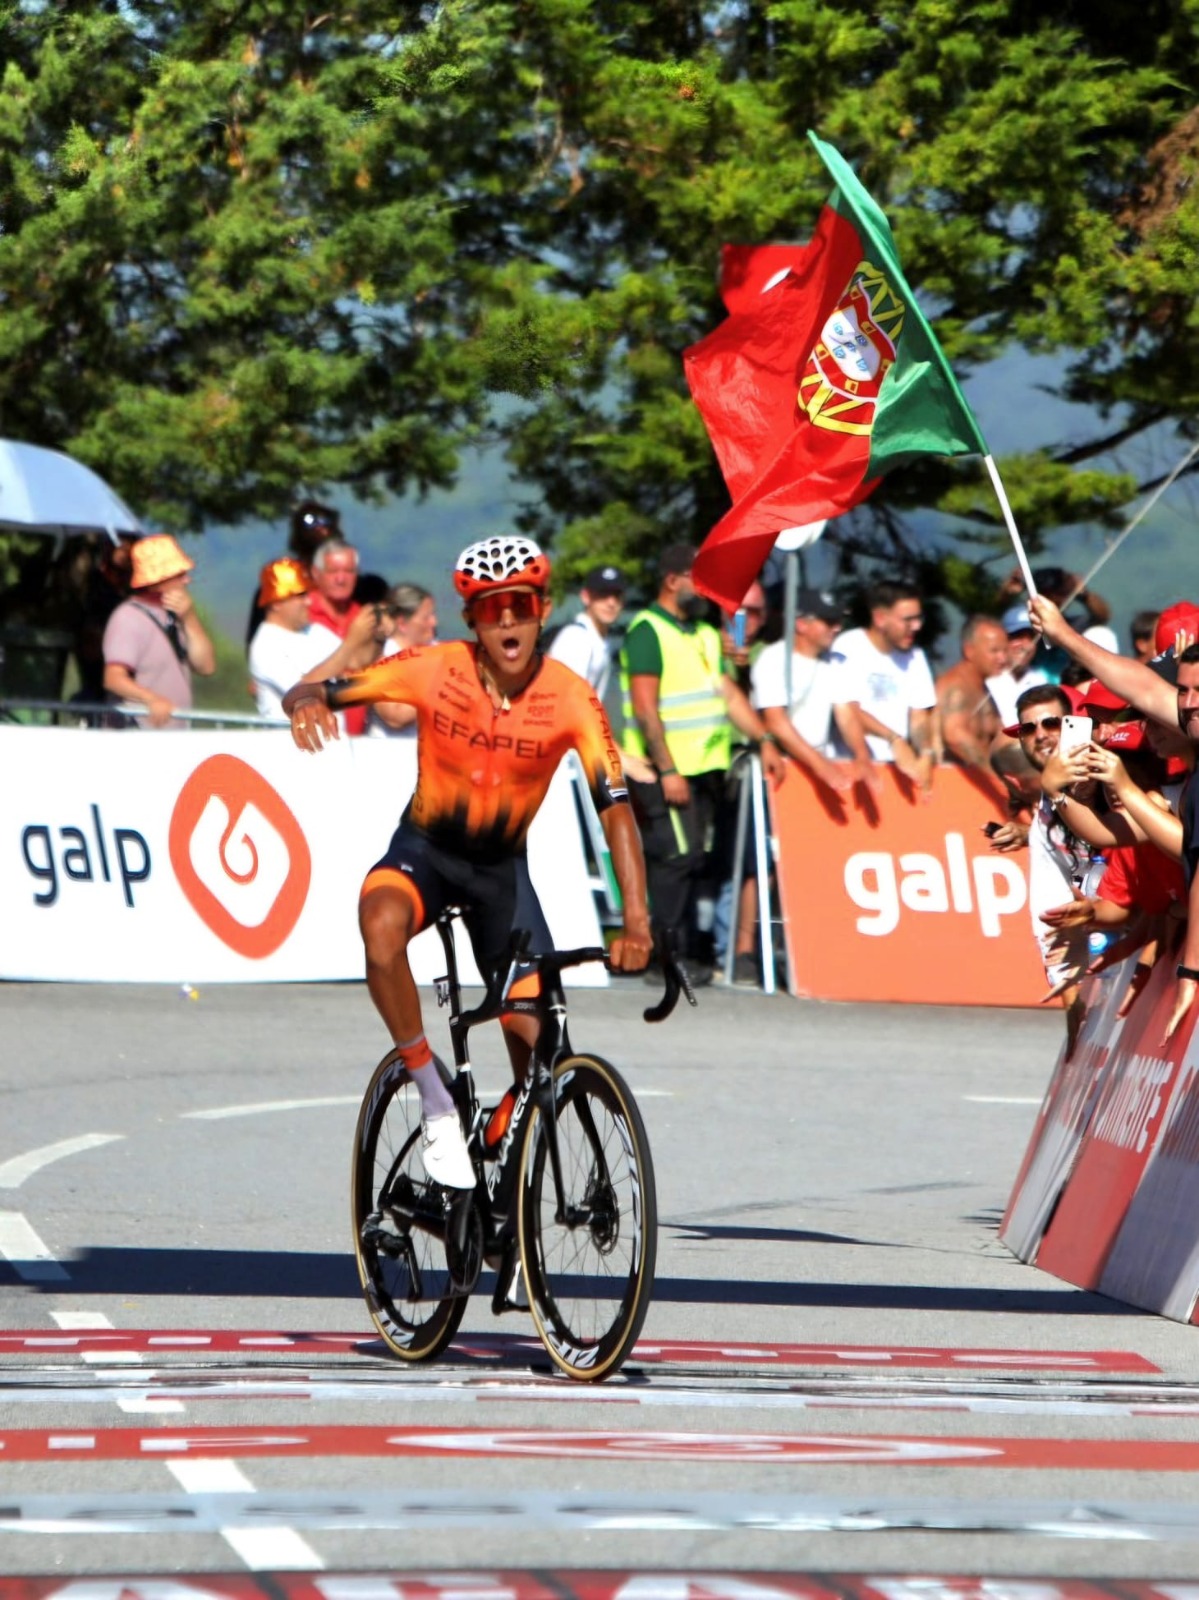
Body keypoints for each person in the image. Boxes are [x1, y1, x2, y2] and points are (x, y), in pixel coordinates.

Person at [282, 535, 652, 1189]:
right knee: (379, 922)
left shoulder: (570, 698)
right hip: (425, 851)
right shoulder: (434, 665)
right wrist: (306, 702)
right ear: (472, 620)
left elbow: (615, 809)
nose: (505, 620)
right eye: (488, 609)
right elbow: (311, 689)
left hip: (500, 876)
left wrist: (638, 921)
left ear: (541, 608)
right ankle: (432, 1095)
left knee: (539, 1043)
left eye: (517, 605)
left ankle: (508, 1153)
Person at [1030, 594, 1199, 1042]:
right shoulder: (1168, 785)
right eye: (1180, 692)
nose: (1184, 704)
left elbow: (1186, 850)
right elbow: (1112, 834)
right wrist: (1058, 794)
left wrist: (1189, 972)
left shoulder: (1161, 792)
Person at [619, 542, 782, 984]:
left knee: (692, 860)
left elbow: (727, 696)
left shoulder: (705, 635)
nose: (707, 590)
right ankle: (663, 959)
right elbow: (647, 710)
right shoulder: (648, 631)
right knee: (673, 860)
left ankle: (687, 953)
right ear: (673, 582)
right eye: (698, 580)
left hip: (704, 770)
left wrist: (763, 737)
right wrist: (667, 769)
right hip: (666, 773)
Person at [750, 586, 876, 797]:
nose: (837, 628)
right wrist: (819, 764)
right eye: (829, 622)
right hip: (779, 768)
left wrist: (862, 757)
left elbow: (846, 714)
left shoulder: (835, 662)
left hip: (816, 770)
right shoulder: (772, 659)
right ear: (801, 624)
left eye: (839, 621)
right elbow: (776, 722)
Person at [828, 579, 940, 792]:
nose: (916, 627)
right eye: (908, 620)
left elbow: (919, 716)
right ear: (880, 618)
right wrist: (893, 739)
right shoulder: (848, 645)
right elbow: (849, 709)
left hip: (899, 771)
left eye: (918, 618)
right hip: (851, 768)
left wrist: (925, 753)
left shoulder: (916, 656)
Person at [248, 558, 384, 721]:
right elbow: (301, 691)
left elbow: (356, 661)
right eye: (300, 595)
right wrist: (352, 641)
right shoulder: (265, 646)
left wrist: (378, 633)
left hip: (333, 741)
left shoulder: (314, 631)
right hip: (292, 743)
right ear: (277, 602)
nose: (309, 601)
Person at [101, 535, 215, 728]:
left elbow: (206, 667)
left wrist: (190, 618)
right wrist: (151, 699)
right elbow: (113, 678)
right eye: (179, 574)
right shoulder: (128, 617)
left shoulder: (177, 613)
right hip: (138, 735)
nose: (187, 580)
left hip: (169, 734)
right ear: (160, 579)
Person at [306, 539, 367, 735]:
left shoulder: (364, 618)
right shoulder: (304, 617)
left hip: (360, 739)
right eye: (333, 571)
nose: (341, 579)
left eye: (348, 571)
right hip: (315, 735)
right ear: (316, 573)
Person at [935, 615, 1009, 774]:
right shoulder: (955, 687)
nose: (1002, 658)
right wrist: (997, 777)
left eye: (1005, 650)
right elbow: (954, 736)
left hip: (982, 786)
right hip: (954, 786)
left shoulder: (983, 689)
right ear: (969, 650)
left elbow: (1001, 735)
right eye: (994, 651)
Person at [548, 563, 628, 703]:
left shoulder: (599, 639)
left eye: (617, 595)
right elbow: (566, 701)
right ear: (586, 597)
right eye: (603, 594)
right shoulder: (576, 638)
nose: (611, 602)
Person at [367, 582, 439, 738]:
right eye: (426, 617)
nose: (434, 623)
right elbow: (394, 715)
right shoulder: (381, 660)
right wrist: (444, 689)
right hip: (390, 752)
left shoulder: (438, 651)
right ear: (402, 624)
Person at [986, 603, 1050, 727]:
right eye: (1017, 636)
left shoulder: (1042, 682)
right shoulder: (986, 681)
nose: (1025, 645)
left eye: (1031, 637)